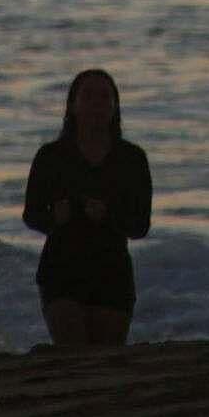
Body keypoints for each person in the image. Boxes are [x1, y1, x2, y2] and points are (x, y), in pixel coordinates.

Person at [22, 68, 153, 347]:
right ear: (72, 105)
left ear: (115, 106)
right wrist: (53, 218)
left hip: (112, 272)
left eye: (105, 97)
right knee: (72, 355)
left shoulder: (131, 159)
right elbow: (31, 215)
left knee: (105, 362)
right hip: (61, 270)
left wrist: (108, 215)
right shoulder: (51, 156)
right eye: (88, 96)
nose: (97, 103)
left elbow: (140, 226)